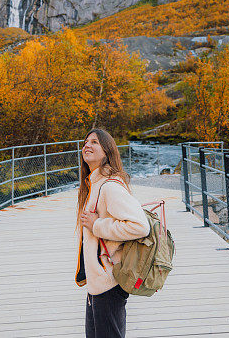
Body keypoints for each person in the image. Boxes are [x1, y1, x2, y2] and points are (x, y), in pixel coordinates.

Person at [75, 128, 150, 338]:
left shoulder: (110, 186)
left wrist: (97, 224)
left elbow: (140, 226)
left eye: (95, 142)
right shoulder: (94, 184)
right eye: (86, 142)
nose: (87, 145)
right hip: (97, 284)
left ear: (107, 151)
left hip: (109, 283)